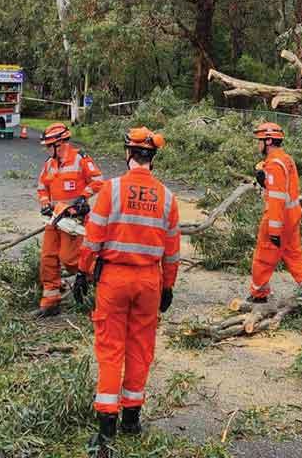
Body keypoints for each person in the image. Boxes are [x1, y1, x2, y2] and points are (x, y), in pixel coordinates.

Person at [79, 127, 180, 456]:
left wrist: (82, 271)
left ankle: (107, 426)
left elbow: (93, 236)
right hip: (149, 281)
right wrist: (168, 286)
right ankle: (132, 419)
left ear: (128, 154)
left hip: (114, 280)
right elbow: (173, 251)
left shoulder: (112, 190)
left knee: (111, 350)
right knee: (140, 348)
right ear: (153, 158)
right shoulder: (167, 198)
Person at [249, 122, 302, 303]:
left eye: (259, 140)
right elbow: (285, 188)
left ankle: (258, 294)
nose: (258, 144)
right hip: (292, 217)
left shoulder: (274, 165)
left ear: (268, 141)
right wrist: (264, 181)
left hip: (278, 220)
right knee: (294, 255)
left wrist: (274, 230)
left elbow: (277, 198)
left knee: (263, 257)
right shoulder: (286, 159)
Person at [34, 122, 105, 317]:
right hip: (56, 219)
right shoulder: (49, 164)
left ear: (60, 144)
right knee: (48, 258)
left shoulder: (80, 159)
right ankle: (50, 301)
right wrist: (45, 203)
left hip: (74, 220)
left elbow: (98, 180)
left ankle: (102, 278)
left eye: (49, 146)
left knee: (71, 260)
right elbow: (42, 187)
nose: (47, 150)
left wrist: (83, 197)